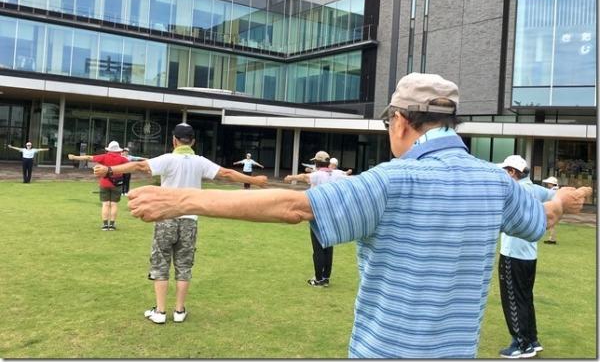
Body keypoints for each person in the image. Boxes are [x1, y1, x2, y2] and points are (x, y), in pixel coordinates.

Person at [126, 73, 591, 358]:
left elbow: (296, 207)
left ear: (401, 122)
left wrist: (182, 200)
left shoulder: (392, 179)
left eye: (390, 122)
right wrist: (563, 201)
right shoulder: (495, 181)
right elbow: (541, 217)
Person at [93, 123, 268, 325]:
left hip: (165, 217)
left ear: (174, 140)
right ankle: (179, 310)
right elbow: (227, 173)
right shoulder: (199, 161)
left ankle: (159, 311)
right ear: (193, 141)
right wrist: (255, 182)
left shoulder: (168, 159)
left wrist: (109, 169)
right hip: (190, 219)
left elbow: (140, 166)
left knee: (161, 263)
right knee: (184, 265)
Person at [497, 155, 556, 358]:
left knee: (512, 300)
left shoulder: (515, 191)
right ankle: (532, 339)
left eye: (506, 170)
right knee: (525, 298)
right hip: (530, 256)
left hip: (512, 254)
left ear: (513, 172)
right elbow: (556, 196)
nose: (504, 174)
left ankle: (521, 345)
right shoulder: (535, 189)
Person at [284, 151, 346, 287]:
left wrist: (290, 177)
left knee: (318, 249)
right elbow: (348, 176)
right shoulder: (336, 173)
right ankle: (325, 277)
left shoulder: (318, 175)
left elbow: (304, 177)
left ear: (317, 162)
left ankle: (318, 279)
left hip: (318, 215)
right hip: (332, 215)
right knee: (329, 247)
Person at [68, 141, 129, 231]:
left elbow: (88, 157)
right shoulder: (122, 159)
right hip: (117, 184)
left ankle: (105, 225)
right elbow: (132, 165)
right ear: (118, 150)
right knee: (114, 204)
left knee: (105, 204)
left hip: (105, 182)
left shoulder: (104, 156)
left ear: (109, 149)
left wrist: (74, 157)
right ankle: (112, 225)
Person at [542, 176, 560, 244]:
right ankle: (551, 238)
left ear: (552, 184)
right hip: (555, 208)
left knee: (550, 224)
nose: (548, 184)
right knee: (551, 224)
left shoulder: (553, 191)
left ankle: (552, 239)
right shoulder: (556, 190)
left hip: (552, 208)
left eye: (549, 183)